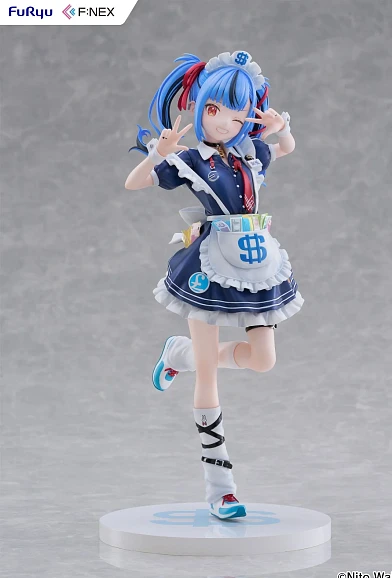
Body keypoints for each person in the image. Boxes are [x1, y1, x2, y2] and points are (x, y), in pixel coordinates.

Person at [125, 51, 304, 521]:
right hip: (210, 262)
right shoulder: (189, 160)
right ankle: (221, 490)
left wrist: (278, 126)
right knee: (209, 377)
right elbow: (134, 183)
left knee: (263, 360)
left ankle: (179, 354)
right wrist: (159, 152)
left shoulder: (251, 153)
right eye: (214, 109)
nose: (224, 122)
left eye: (236, 114)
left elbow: (285, 147)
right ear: (201, 104)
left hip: (256, 261)